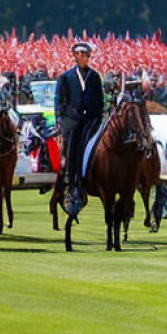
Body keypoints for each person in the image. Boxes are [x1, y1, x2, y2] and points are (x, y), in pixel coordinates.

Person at [55, 41, 104, 211]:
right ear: (76, 56)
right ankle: (71, 184)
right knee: (72, 150)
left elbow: (99, 100)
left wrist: (98, 117)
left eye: (86, 55)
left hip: (90, 121)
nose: (83, 58)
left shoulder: (95, 77)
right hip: (72, 121)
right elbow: (59, 102)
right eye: (80, 54)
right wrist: (62, 122)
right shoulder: (65, 77)